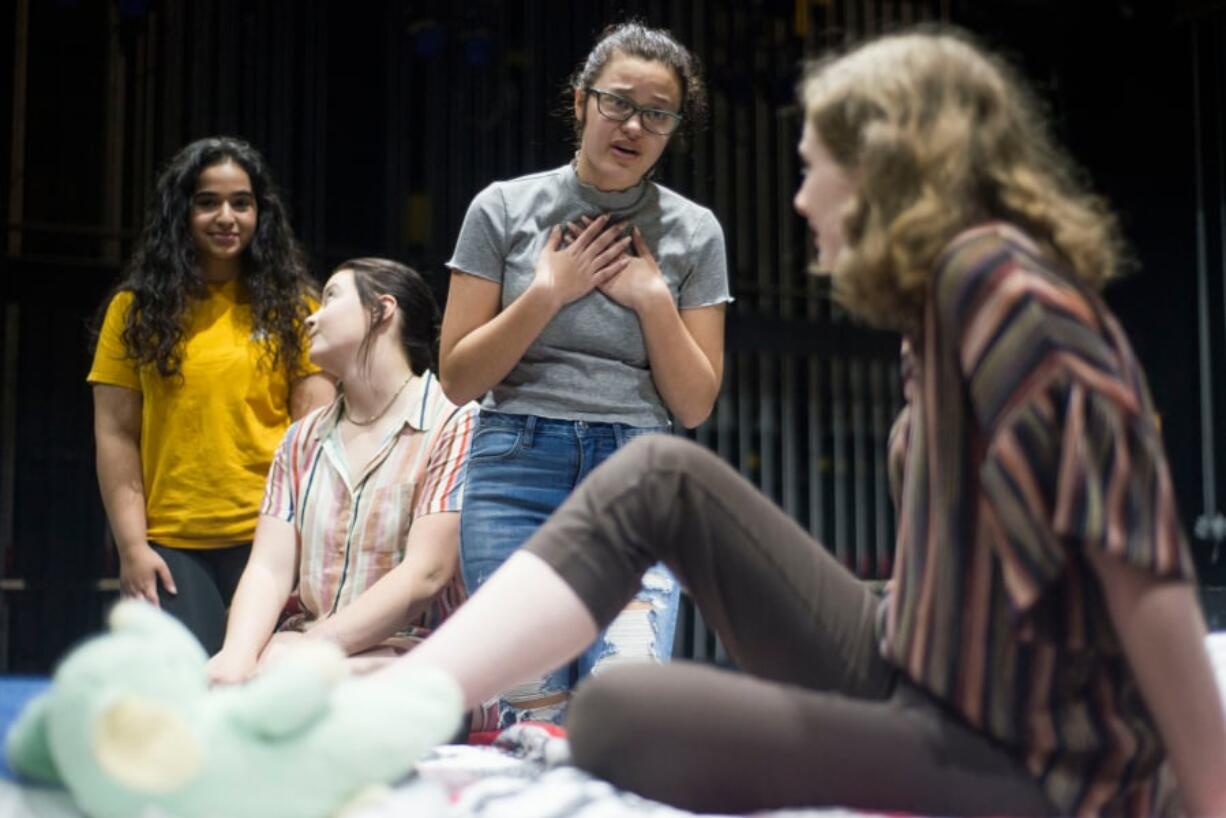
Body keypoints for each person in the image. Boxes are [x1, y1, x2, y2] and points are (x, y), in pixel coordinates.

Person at [388, 29, 1226, 817]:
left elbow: (1141, 569)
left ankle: (383, 712)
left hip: (1026, 746)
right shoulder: (936, 310)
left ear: (885, 169)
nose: (799, 196)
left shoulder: (1004, 291)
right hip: (919, 661)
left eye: (814, 166)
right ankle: (386, 713)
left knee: (616, 712)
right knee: (663, 481)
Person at [440, 21, 730, 724]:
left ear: (672, 130)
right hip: (515, 465)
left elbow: (693, 405)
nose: (635, 125)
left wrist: (654, 299)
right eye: (618, 103)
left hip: (634, 469)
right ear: (580, 103)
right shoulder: (504, 208)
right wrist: (548, 291)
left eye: (658, 114)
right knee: (534, 716)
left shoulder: (695, 233)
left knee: (621, 704)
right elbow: (456, 378)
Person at [89, 137, 335, 655]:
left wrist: (308, 545)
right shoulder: (134, 312)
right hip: (173, 542)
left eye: (241, 203)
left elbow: (313, 441)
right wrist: (133, 548)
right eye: (208, 202)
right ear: (182, 211)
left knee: (259, 692)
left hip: (271, 538)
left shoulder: (297, 308)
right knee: (188, 694)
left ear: (259, 213)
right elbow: (115, 436)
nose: (227, 217)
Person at [206, 259, 484, 715]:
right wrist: (237, 656)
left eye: (332, 296)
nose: (311, 316)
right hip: (301, 650)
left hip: (413, 656)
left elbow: (427, 574)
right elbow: (269, 569)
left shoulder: (455, 423)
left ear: (382, 310)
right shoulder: (301, 439)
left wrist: (312, 651)